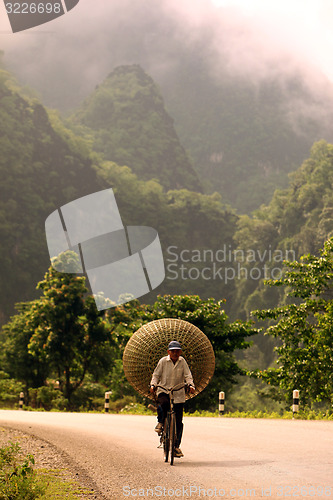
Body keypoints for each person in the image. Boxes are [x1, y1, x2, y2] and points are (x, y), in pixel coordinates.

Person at [150, 340, 195, 458]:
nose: (175, 353)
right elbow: (156, 375)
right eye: (173, 351)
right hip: (164, 390)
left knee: (179, 422)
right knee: (163, 404)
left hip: (178, 392)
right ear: (168, 352)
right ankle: (161, 422)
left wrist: (191, 385)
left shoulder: (182, 361)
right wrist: (153, 385)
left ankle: (176, 446)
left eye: (177, 351)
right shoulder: (163, 361)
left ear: (180, 352)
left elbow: (187, 375)